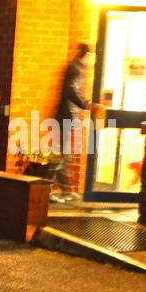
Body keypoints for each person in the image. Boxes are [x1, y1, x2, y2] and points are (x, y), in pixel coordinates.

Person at [49, 43, 95, 203]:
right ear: (87, 54)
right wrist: (85, 104)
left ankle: (64, 190)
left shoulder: (74, 67)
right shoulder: (75, 69)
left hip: (66, 115)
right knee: (63, 154)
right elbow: (71, 90)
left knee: (63, 154)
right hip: (67, 116)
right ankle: (53, 191)